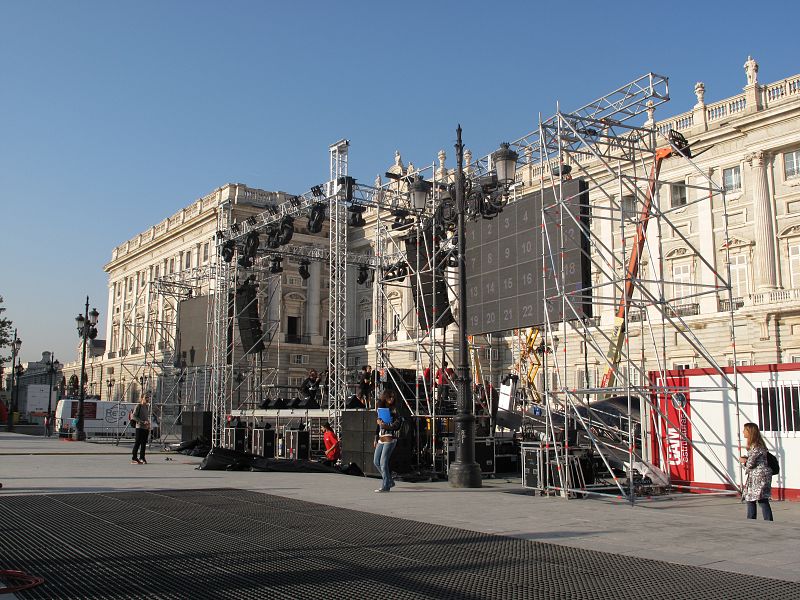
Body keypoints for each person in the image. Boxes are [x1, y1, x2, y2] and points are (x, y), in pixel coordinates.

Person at [739, 422, 773, 521]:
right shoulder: (758, 445)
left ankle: (753, 521)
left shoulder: (756, 447)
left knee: (757, 499)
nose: (743, 432)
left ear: (750, 432)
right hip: (760, 476)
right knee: (759, 499)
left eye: (745, 430)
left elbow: (750, 464)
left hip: (758, 477)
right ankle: (765, 520)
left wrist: (744, 461)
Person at [373, 389, 402, 492]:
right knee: (376, 461)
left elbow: (397, 426)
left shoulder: (395, 410)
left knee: (383, 462)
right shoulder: (381, 408)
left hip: (390, 438)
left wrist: (384, 425)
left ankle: (386, 485)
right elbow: (378, 425)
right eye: (390, 397)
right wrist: (376, 437)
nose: (392, 399)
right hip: (381, 438)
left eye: (393, 397)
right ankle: (389, 480)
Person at [131, 394, 151, 465]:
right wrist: (142, 422)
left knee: (143, 444)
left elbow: (146, 417)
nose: (147, 399)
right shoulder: (138, 406)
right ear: (142, 398)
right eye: (146, 397)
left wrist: (148, 424)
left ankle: (142, 457)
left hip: (145, 428)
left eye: (148, 398)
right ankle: (134, 458)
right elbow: (133, 416)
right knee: (137, 443)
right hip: (139, 427)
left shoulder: (146, 407)